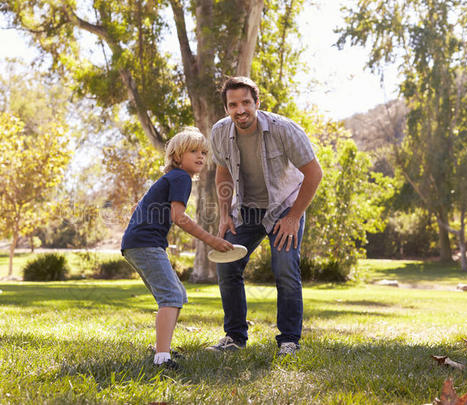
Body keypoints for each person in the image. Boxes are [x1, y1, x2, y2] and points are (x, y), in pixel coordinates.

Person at [207, 76, 323, 355]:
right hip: (246, 208)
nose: (240, 110)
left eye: (246, 102)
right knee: (227, 265)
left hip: (285, 206)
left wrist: (294, 217)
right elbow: (222, 172)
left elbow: (314, 173)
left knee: (284, 267)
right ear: (226, 109)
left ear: (257, 103)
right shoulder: (220, 132)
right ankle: (234, 337)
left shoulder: (285, 130)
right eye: (233, 104)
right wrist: (225, 214)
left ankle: (289, 341)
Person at [122, 127, 234, 369]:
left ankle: (162, 348)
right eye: (193, 151)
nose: (201, 156)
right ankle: (162, 358)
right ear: (176, 156)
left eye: (204, 152)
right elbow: (179, 217)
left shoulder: (172, 178)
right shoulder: (181, 177)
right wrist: (212, 240)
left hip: (138, 244)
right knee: (171, 296)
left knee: (176, 295)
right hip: (145, 244)